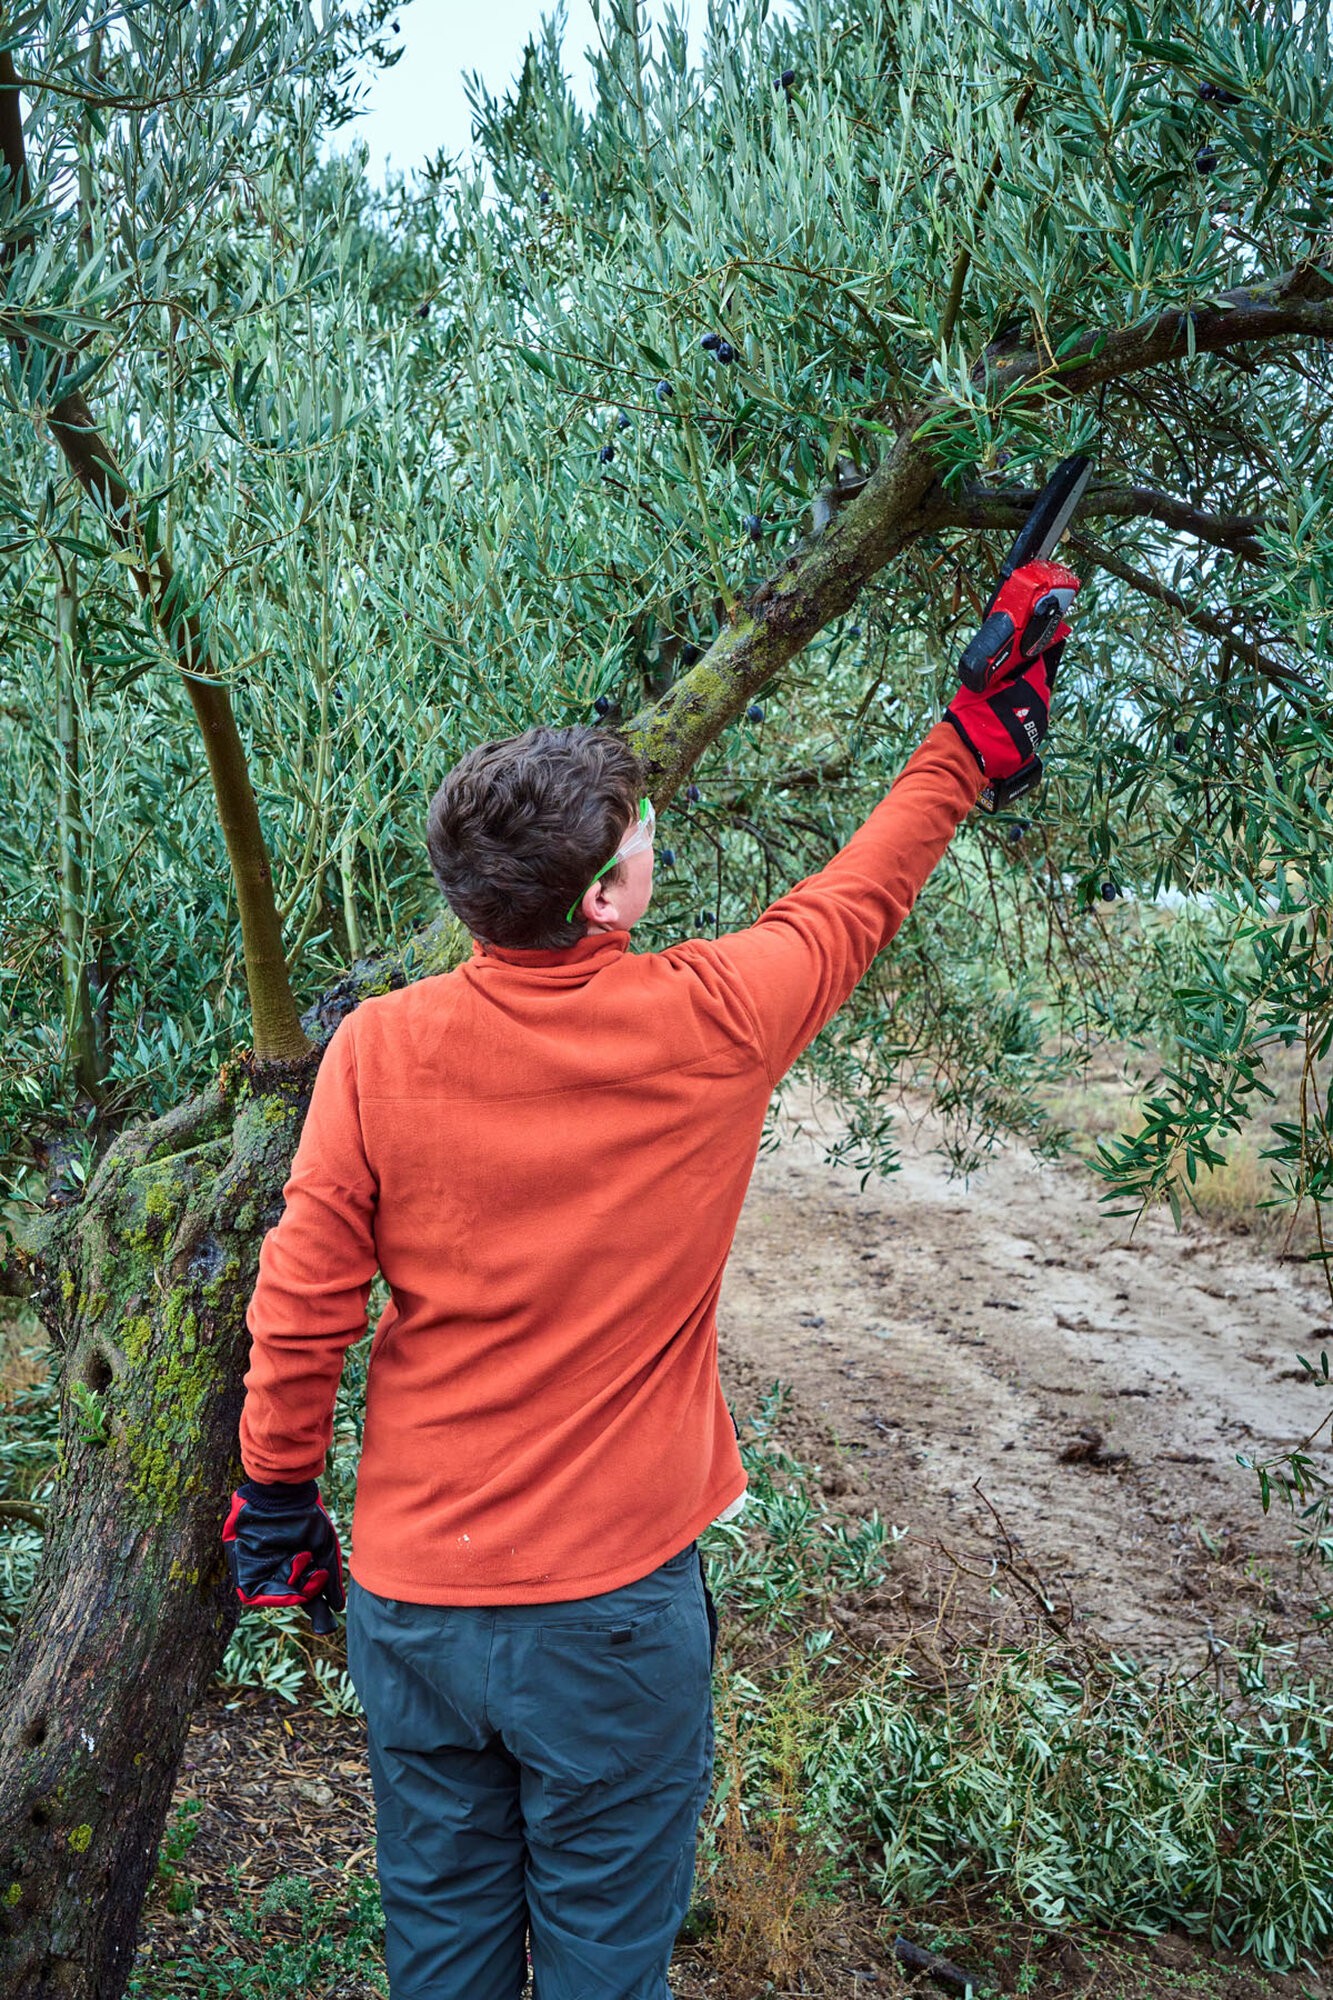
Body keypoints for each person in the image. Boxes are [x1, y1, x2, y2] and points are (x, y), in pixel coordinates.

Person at [222, 591, 1068, 2000]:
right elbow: (856, 892)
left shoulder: (375, 1049)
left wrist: (275, 1510)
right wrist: (965, 743)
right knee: (610, 1968)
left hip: (414, 1604)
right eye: (640, 843)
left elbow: (302, 1308)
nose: (651, 852)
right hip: (610, 1617)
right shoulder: (713, 1017)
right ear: (606, 896)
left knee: (440, 1956)